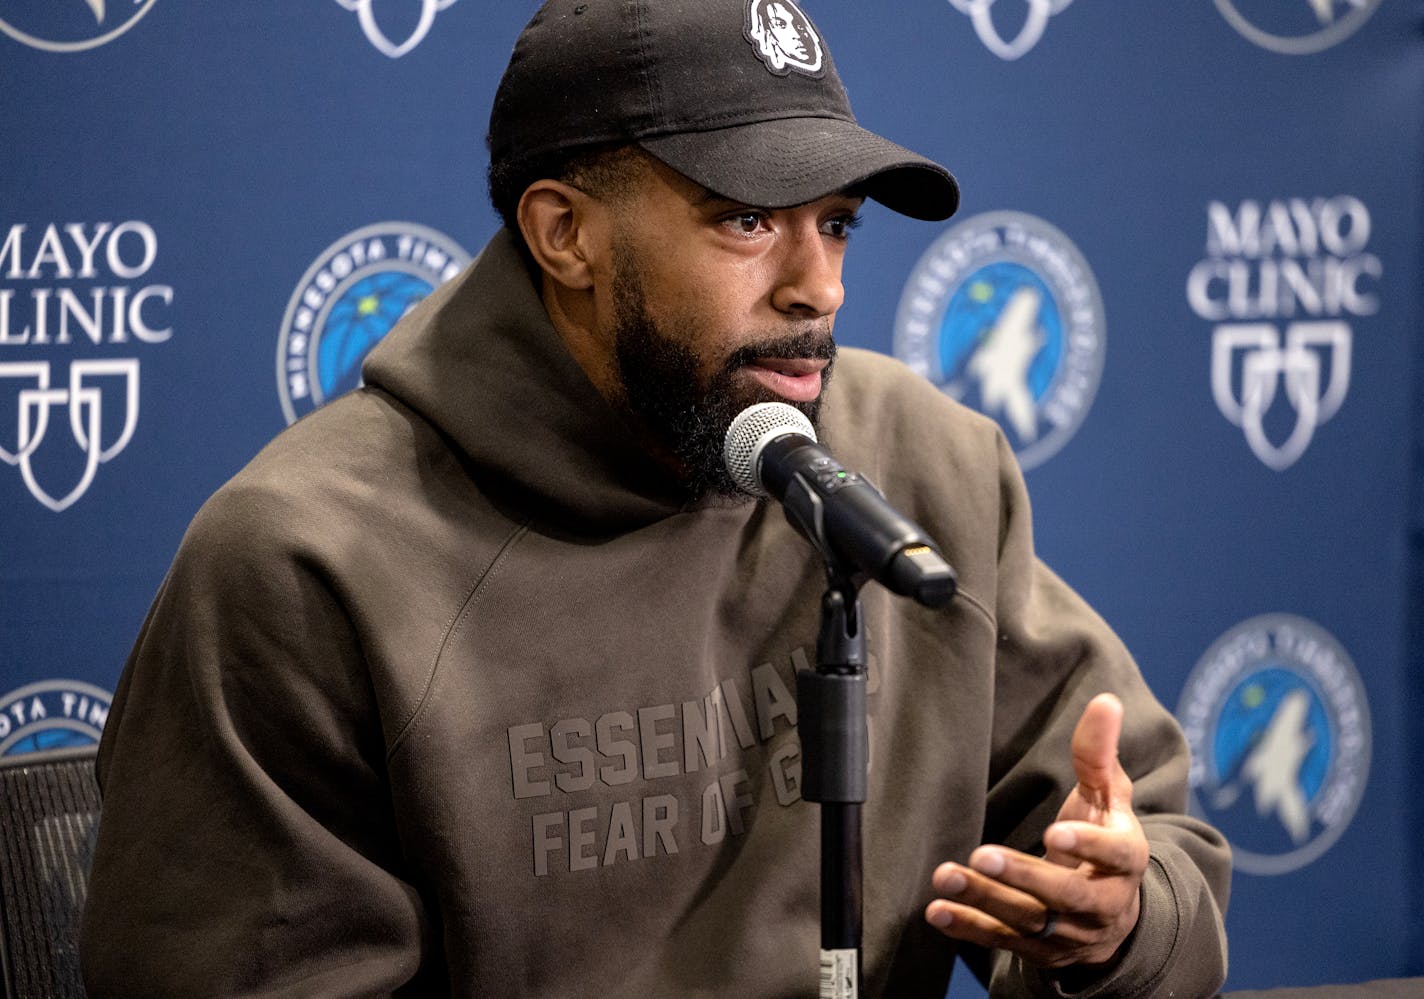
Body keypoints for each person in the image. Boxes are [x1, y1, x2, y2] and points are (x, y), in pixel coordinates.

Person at [80, 1, 1230, 996]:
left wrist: (1116, 926)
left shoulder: (921, 468)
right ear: (564, 233)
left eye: (834, 223)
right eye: (746, 219)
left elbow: (1149, 857)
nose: (816, 285)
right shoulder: (302, 559)